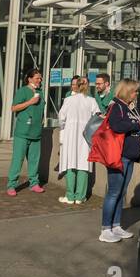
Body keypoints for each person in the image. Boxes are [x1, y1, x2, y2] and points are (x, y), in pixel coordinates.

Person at [94, 79, 140, 243]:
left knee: (122, 192)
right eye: (134, 91)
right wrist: (136, 124)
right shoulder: (116, 106)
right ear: (127, 91)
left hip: (129, 154)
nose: (136, 94)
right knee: (114, 192)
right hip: (118, 155)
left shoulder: (130, 107)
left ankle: (116, 225)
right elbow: (117, 126)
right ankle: (105, 229)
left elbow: (135, 126)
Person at [57, 75, 98, 204]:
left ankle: (70, 196)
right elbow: (97, 117)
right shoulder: (91, 101)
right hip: (85, 136)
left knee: (70, 164)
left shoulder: (69, 100)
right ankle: (80, 197)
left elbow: (61, 118)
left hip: (70, 135)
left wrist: (65, 126)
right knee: (83, 164)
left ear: (77, 85)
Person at [6, 70, 46, 196]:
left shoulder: (40, 92)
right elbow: (14, 108)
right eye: (37, 78)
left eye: (40, 78)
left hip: (36, 133)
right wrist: (30, 102)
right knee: (18, 159)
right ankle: (12, 185)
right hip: (23, 132)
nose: (39, 80)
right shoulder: (23, 91)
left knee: (34, 160)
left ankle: (34, 183)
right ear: (29, 79)